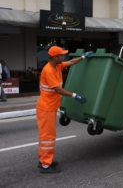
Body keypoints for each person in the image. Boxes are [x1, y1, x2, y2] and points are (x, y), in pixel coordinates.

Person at [37, 46, 93, 174]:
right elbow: (58, 89)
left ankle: (45, 160)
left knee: (46, 136)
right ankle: (46, 165)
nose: (63, 57)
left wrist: (83, 57)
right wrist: (75, 95)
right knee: (47, 137)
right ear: (55, 57)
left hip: (49, 106)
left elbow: (71, 62)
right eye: (61, 55)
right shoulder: (49, 70)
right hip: (46, 108)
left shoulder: (57, 65)